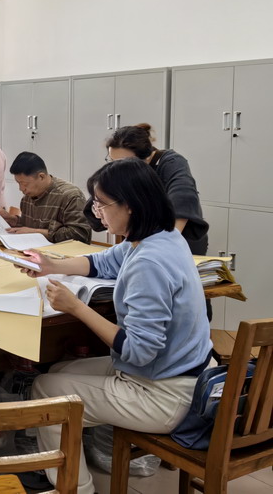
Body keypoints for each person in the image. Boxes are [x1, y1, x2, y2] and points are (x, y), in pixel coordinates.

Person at [17, 158, 213, 494]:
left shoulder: (149, 262)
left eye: (101, 204)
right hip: (181, 374)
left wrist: (76, 307)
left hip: (166, 394)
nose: (97, 213)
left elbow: (139, 351)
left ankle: (77, 488)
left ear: (130, 205)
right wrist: (51, 265)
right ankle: (65, 463)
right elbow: (105, 261)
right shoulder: (161, 236)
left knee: (47, 391)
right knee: (61, 369)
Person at [105, 123, 208, 255]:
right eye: (112, 161)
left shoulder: (171, 162)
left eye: (123, 163)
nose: (117, 168)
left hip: (179, 240)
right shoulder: (121, 170)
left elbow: (183, 196)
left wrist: (166, 243)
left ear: (146, 158)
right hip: (143, 240)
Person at [0, 151, 91, 243]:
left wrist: (36, 232)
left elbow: (80, 235)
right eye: (18, 183)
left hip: (61, 253)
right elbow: (28, 227)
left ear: (41, 177)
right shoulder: (27, 198)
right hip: (33, 250)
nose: (21, 189)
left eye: (25, 184)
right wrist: (12, 219)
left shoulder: (70, 196)